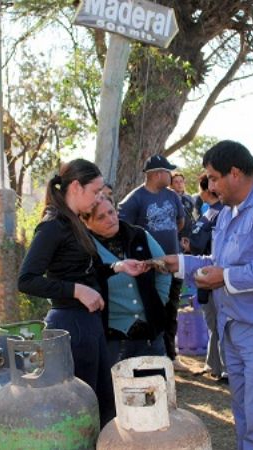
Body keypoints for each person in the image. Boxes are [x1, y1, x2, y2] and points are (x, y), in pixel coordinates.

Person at [152, 140, 253, 449]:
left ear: (234, 173)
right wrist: (180, 263)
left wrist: (226, 277)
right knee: (246, 415)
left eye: (212, 177)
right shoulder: (226, 212)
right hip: (234, 325)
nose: (208, 186)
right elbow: (219, 262)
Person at [17, 159, 145, 428]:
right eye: (95, 191)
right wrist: (75, 291)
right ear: (76, 186)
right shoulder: (53, 225)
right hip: (70, 325)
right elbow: (26, 280)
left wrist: (117, 267)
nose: (99, 198)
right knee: (82, 410)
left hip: (89, 325)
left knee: (101, 403)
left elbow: (86, 270)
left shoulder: (74, 222)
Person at [117, 154, 187, 371]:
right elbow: (123, 230)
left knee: (172, 308)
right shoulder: (134, 199)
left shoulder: (173, 196)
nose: (171, 175)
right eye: (168, 172)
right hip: (147, 267)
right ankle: (151, 354)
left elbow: (180, 221)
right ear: (158, 174)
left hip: (173, 263)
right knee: (151, 309)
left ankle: (171, 356)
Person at [83, 198, 172, 366]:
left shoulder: (139, 235)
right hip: (111, 337)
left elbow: (164, 267)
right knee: (116, 390)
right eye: (101, 217)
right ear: (86, 222)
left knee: (156, 386)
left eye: (111, 212)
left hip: (150, 332)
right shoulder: (84, 247)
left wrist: (159, 300)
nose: (110, 219)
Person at [188, 173, 226, 382]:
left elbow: (197, 244)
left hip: (211, 275)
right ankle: (214, 365)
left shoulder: (215, 214)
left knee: (215, 321)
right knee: (214, 322)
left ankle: (222, 367)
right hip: (212, 274)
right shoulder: (217, 212)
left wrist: (188, 246)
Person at [171, 171, 197, 247]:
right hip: (176, 234)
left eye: (181, 181)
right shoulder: (169, 199)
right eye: (176, 182)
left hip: (189, 234)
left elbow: (194, 215)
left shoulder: (189, 198)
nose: (179, 184)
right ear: (171, 185)